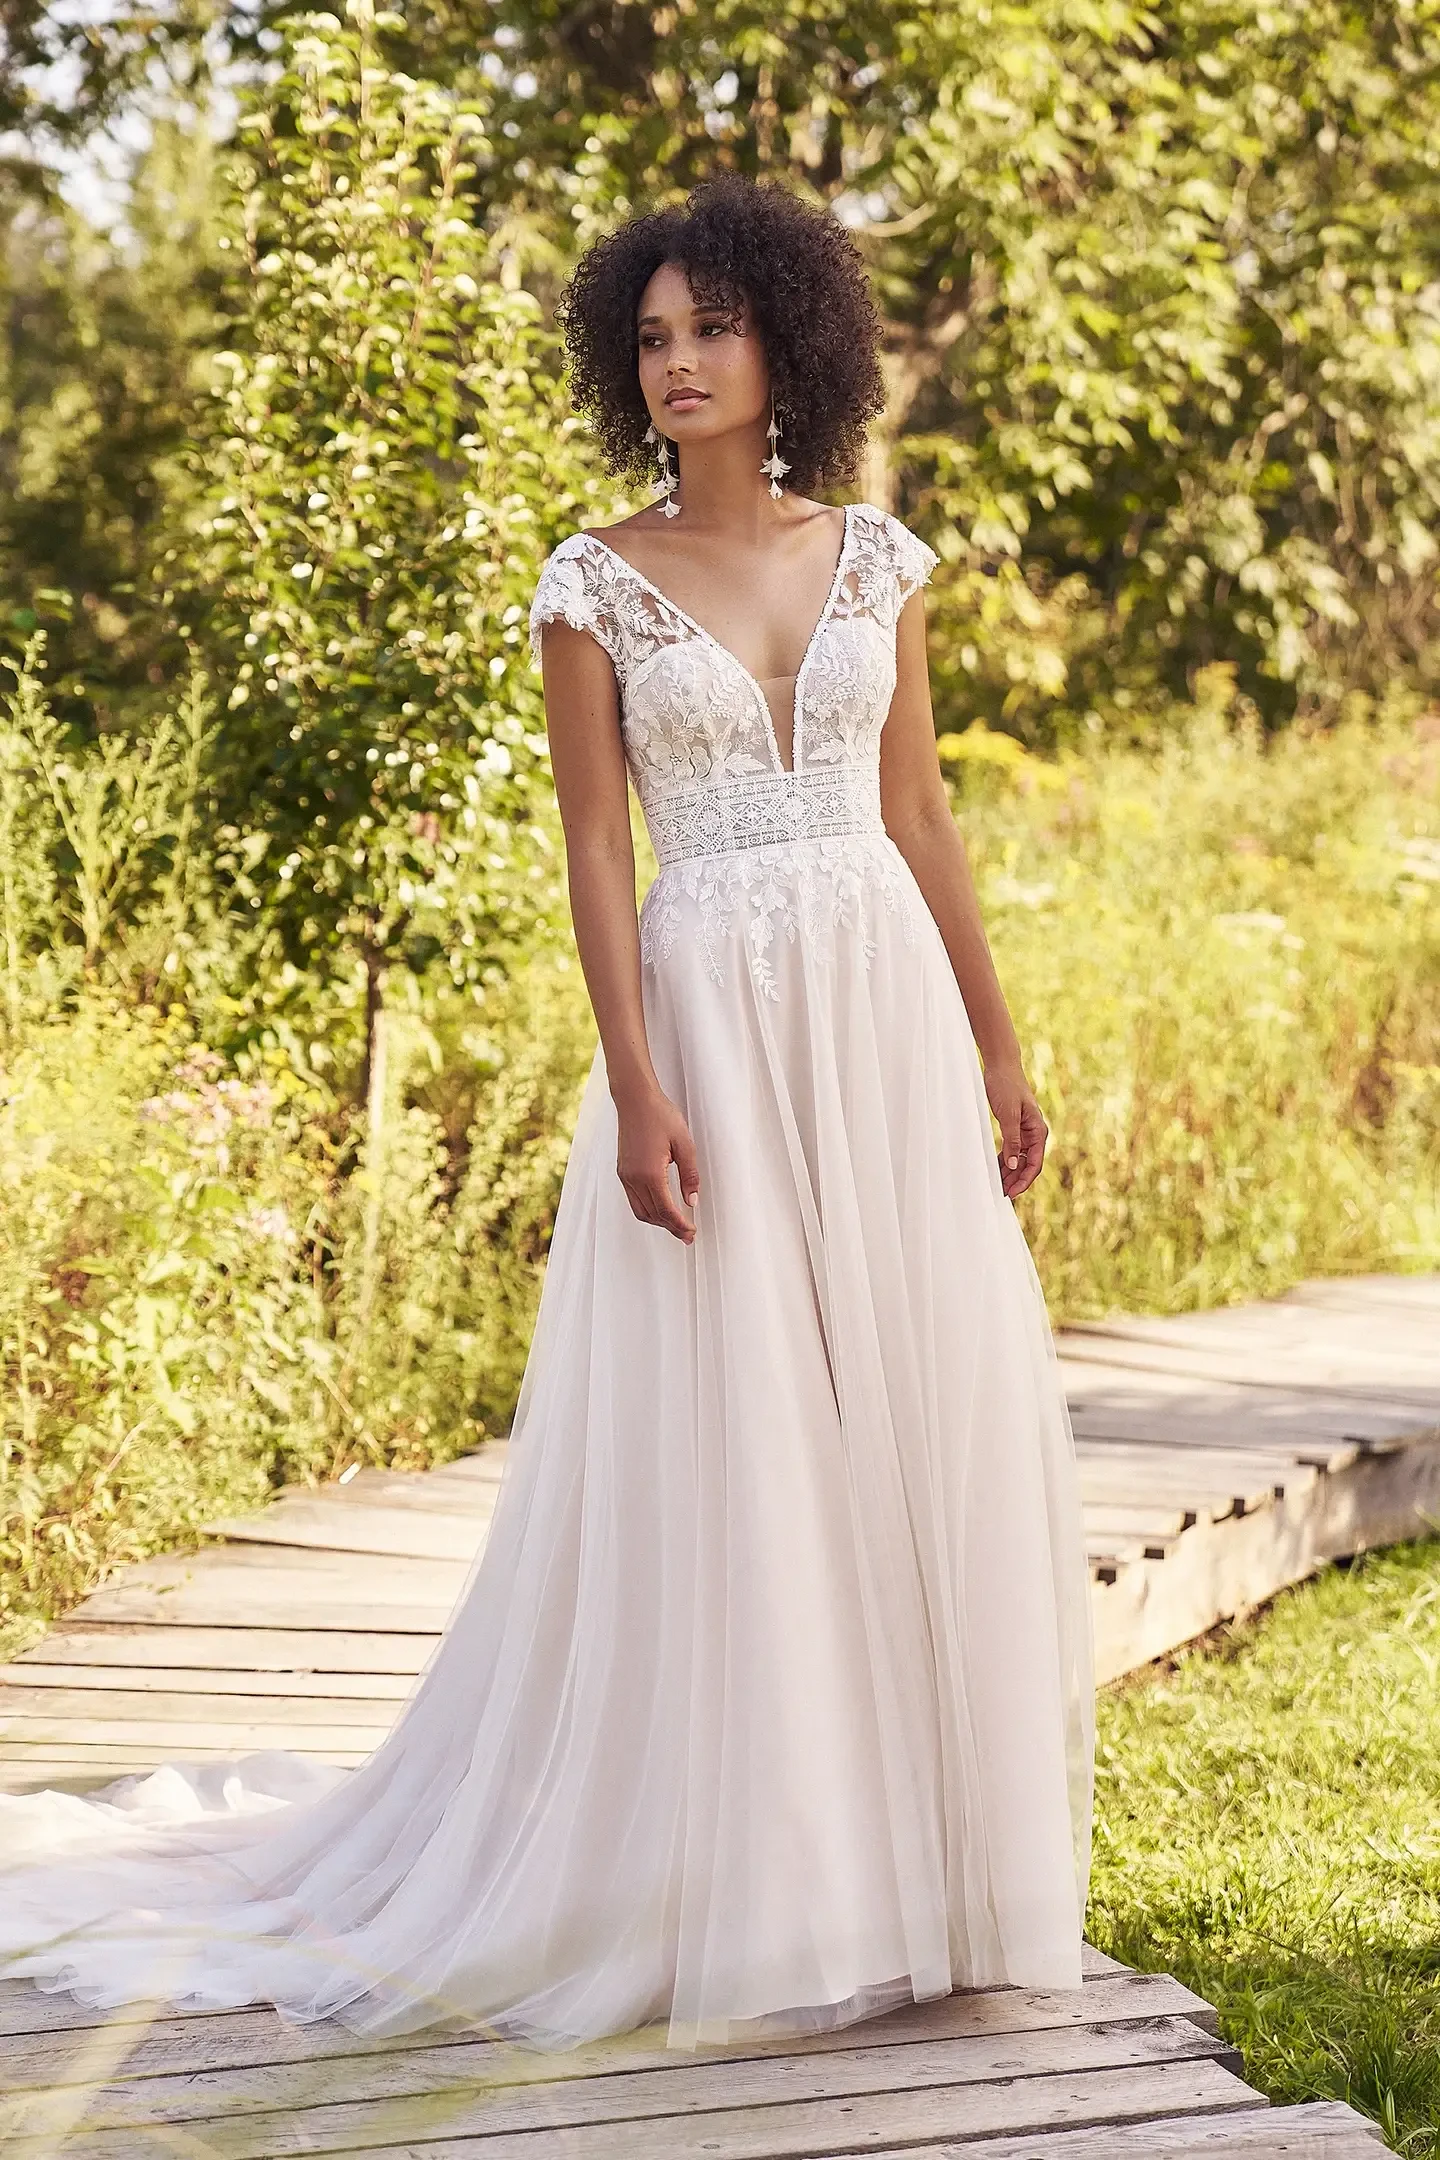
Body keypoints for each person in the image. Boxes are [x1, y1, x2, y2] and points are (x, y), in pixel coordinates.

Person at [0, 172, 1094, 2055]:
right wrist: (635, 1080)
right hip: (714, 1025)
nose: (679, 364)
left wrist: (997, 1044)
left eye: (712, 329)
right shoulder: (592, 580)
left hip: (881, 1015)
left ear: (790, 345)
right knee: (745, 1432)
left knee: (905, 1416)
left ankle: (920, 1875)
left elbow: (922, 820)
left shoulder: (882, 561)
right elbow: (596, 847)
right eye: (651, 337)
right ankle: (751, 1877)